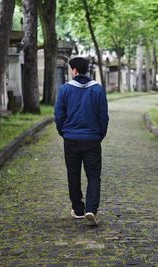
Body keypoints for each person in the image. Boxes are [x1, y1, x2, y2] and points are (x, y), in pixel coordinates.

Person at [54, 57, 109, 226]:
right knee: (93, 175)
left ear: (75, 70)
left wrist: (63, 132)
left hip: (70, 138)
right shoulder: (98, 90)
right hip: (92, 139)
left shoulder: (64, 90)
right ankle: (91, 209)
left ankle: (78, 209)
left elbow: (59, 115)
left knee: (73, 173)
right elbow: (103, 116)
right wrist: (99, 135)